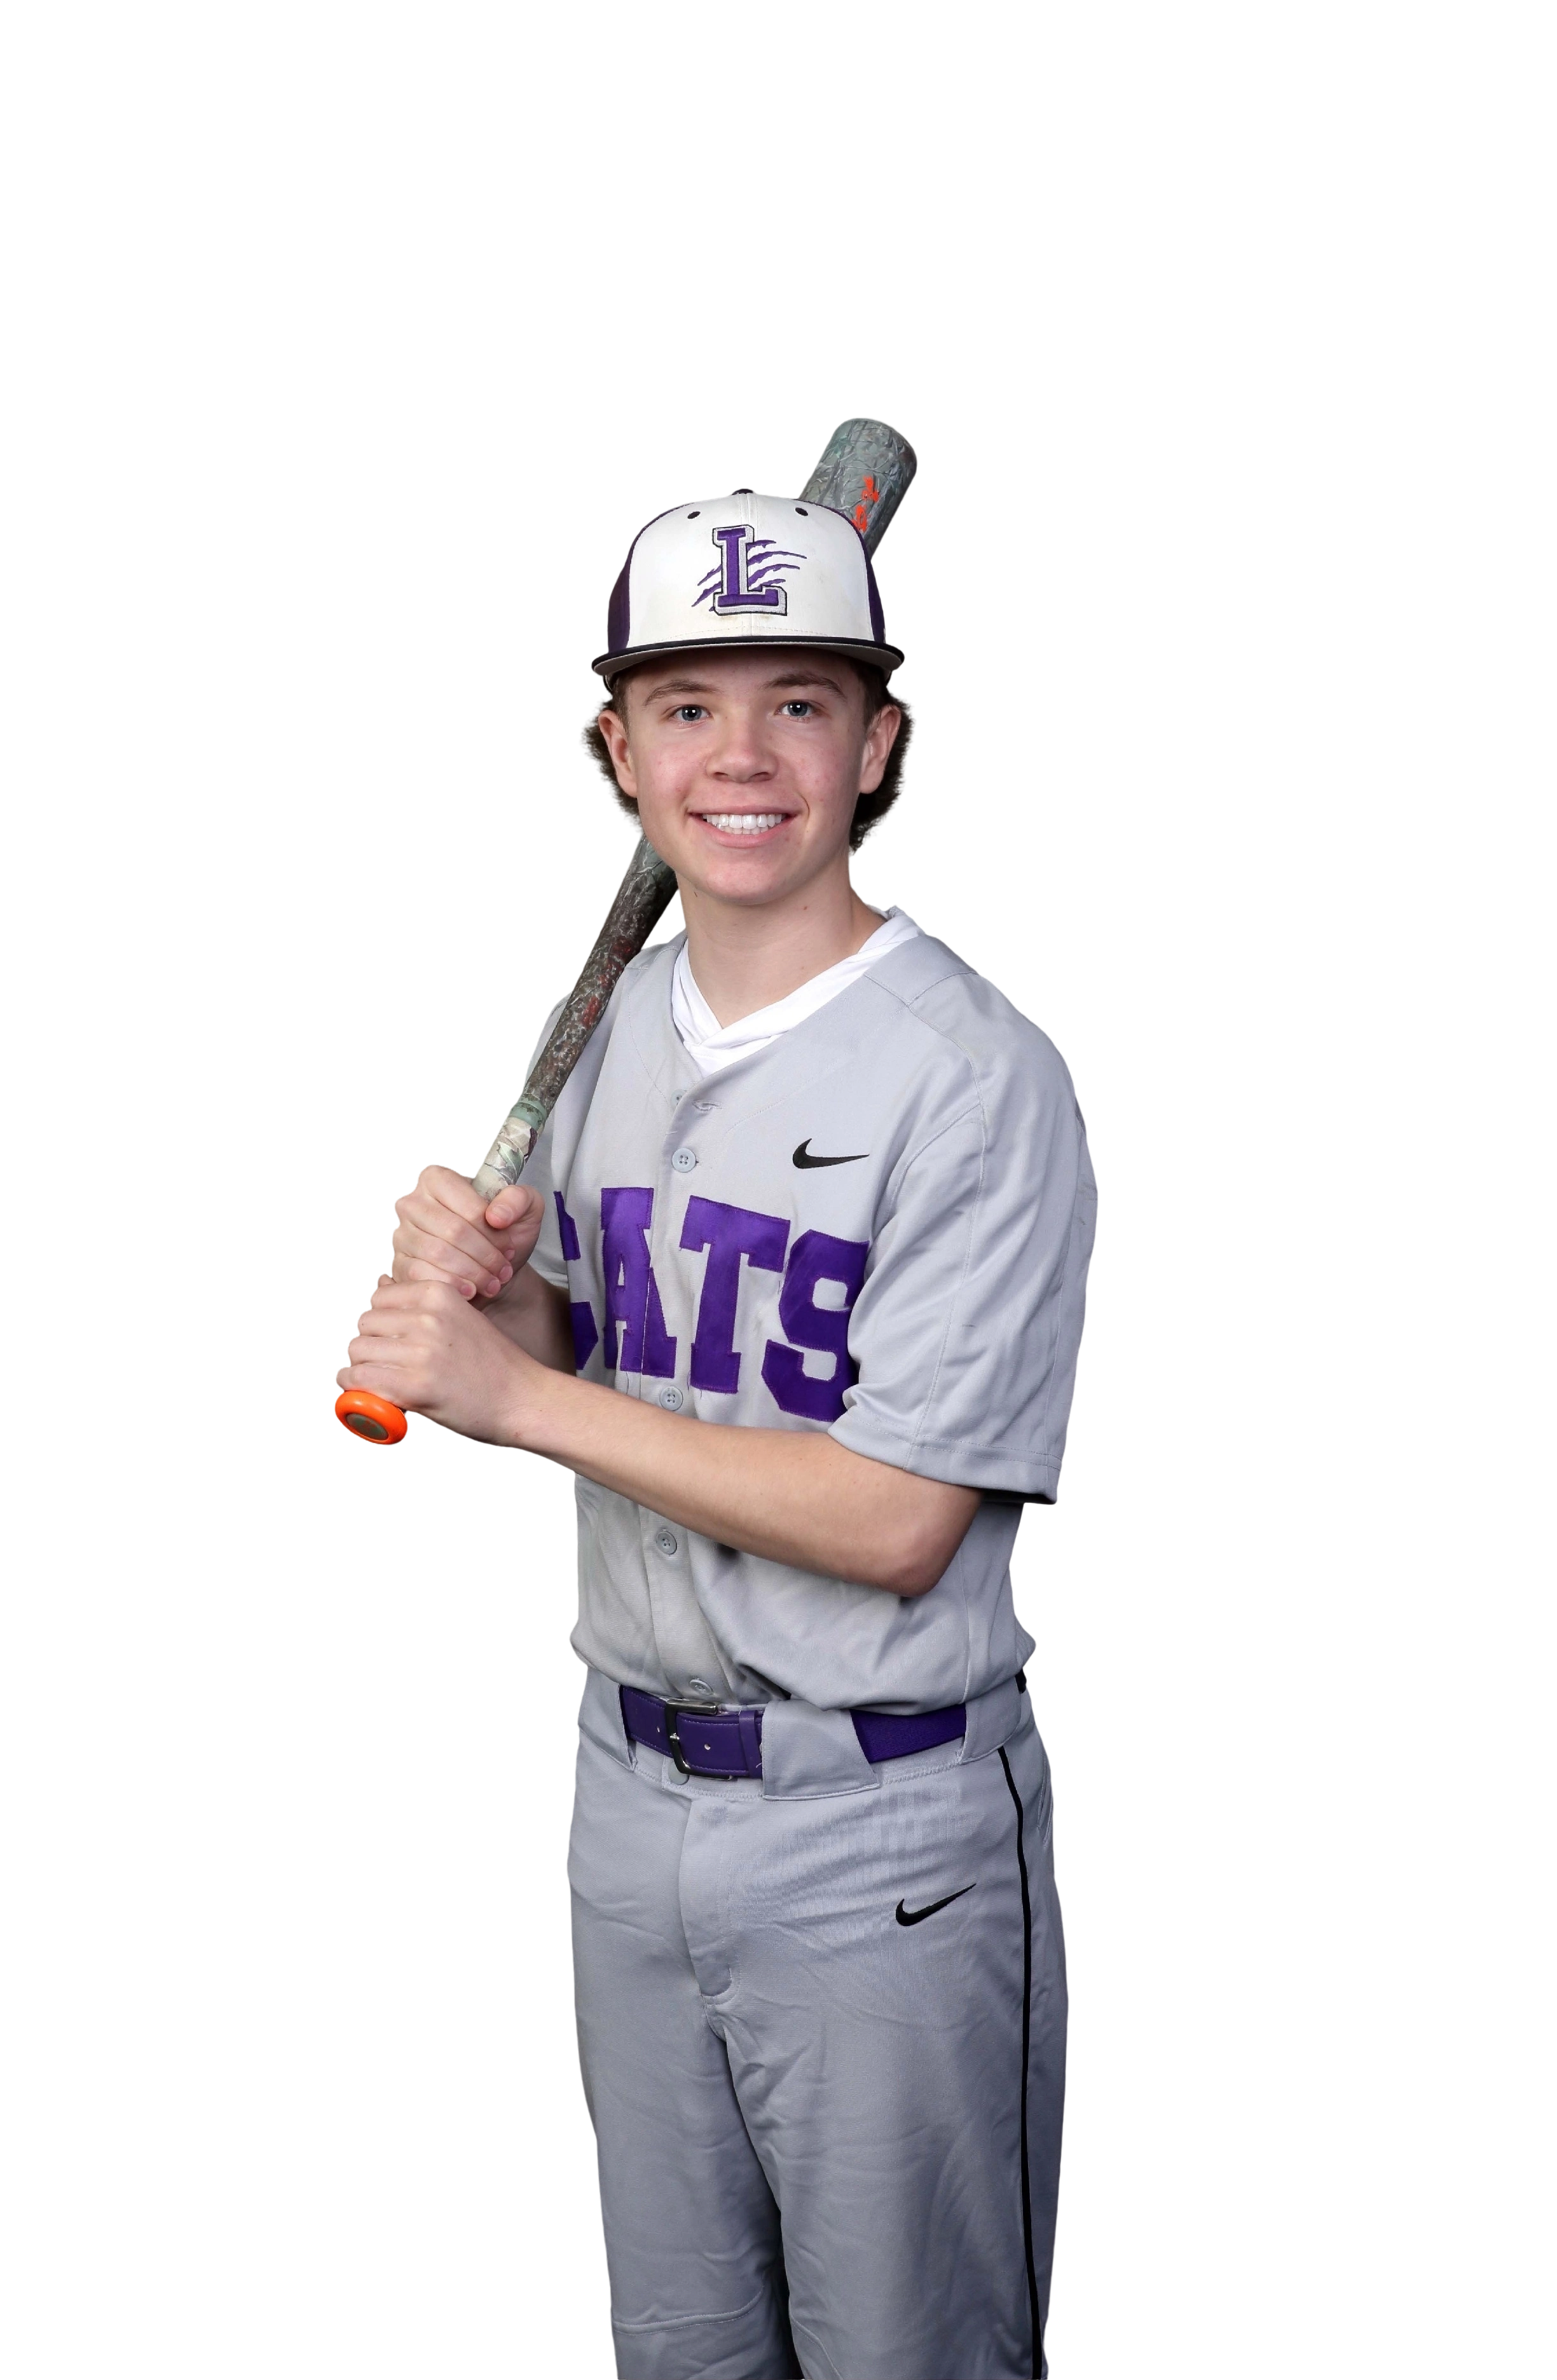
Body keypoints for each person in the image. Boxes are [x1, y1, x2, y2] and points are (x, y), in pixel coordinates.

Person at [334, 488, 1099, 2380]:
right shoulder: (612, 1025)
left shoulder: (979, 1081)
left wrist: (513, 1397)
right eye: (686, 708)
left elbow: (897, 1518)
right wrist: (492, 1300)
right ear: (622, 753)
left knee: (909, 2355)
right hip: (629, 1795)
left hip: (883, 1832)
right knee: (681, 2348)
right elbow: (615, 1357)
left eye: (797, 704)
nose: (739, 758)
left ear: (879, 744)